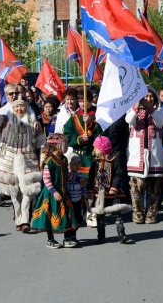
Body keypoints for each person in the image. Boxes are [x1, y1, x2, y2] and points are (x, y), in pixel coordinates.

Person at [0, 97, 47, 232]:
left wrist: (42, 160)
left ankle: (25, 220)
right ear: (12, 108)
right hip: (9, 160)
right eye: (16, 106)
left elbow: (41, 143)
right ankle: (19, 219)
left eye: (22, 106)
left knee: (28, 192)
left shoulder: (34, 123)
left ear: (27, 107)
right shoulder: (4, 120)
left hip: (29, 160)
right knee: (14, 193)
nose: (19, 109)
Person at [31, 133, 81, 248]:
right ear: (58, 146)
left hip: (63, 193)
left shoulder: (64, 159)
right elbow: (46, 180)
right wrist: (54, 192)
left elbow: (66, 175)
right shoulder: (49, 161)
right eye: (65, 144)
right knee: (49, 217)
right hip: (51, 195)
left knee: (67, 215)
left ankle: (67, 239)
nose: (67, 146)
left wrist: (78, 179)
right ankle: (50, 239)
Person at [125, 86, 163, 224]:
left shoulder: (159, 110)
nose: (148, 99)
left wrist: (151, 109)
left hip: (154, 156)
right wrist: (137, 105)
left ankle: (151, 214)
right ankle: (137, 212)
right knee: (136, 187)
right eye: (145, 96)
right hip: (137, 157)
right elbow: (129, 120)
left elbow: (160, 122)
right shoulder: (132, 109)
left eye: (151, 96)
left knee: (154, 188)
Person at [63, 88, 102, 226]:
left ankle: (92, 214)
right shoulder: (74, 118)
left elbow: (104, 134)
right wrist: (79, 139)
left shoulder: (98, 115)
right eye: (79, 101)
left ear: (91, 100)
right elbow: (67, 135)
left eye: (84, 101)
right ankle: (79, 213)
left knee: (92, 187)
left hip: (92, 156)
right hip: (78, 158)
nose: (81, 104)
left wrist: (92, 125)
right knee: (78, 187)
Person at [87, 135, 131, 244]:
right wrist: (90, 191)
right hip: (100, 193)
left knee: (117, 212)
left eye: (96, 148)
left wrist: (114, 187)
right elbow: (91, 178)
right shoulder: (95, 162)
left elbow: (119, 174)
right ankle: (101, 236)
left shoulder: (114, 160)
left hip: (113, 193)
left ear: (102, 149)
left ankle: (122, 235)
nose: (94, 150)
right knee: (100, 215)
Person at [64, 150, 88, 246]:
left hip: (78, 201)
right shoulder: (66, 176)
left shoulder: (80, 175)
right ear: (68, 165)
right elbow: (66, 187)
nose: (77, 166)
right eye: (75, 164)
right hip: (69, 202)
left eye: (79, 163)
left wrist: (85, 195)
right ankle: (67, 238)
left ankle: (73, 236)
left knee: (78, 219)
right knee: (69, 220)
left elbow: (83, 188)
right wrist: (77, 185)